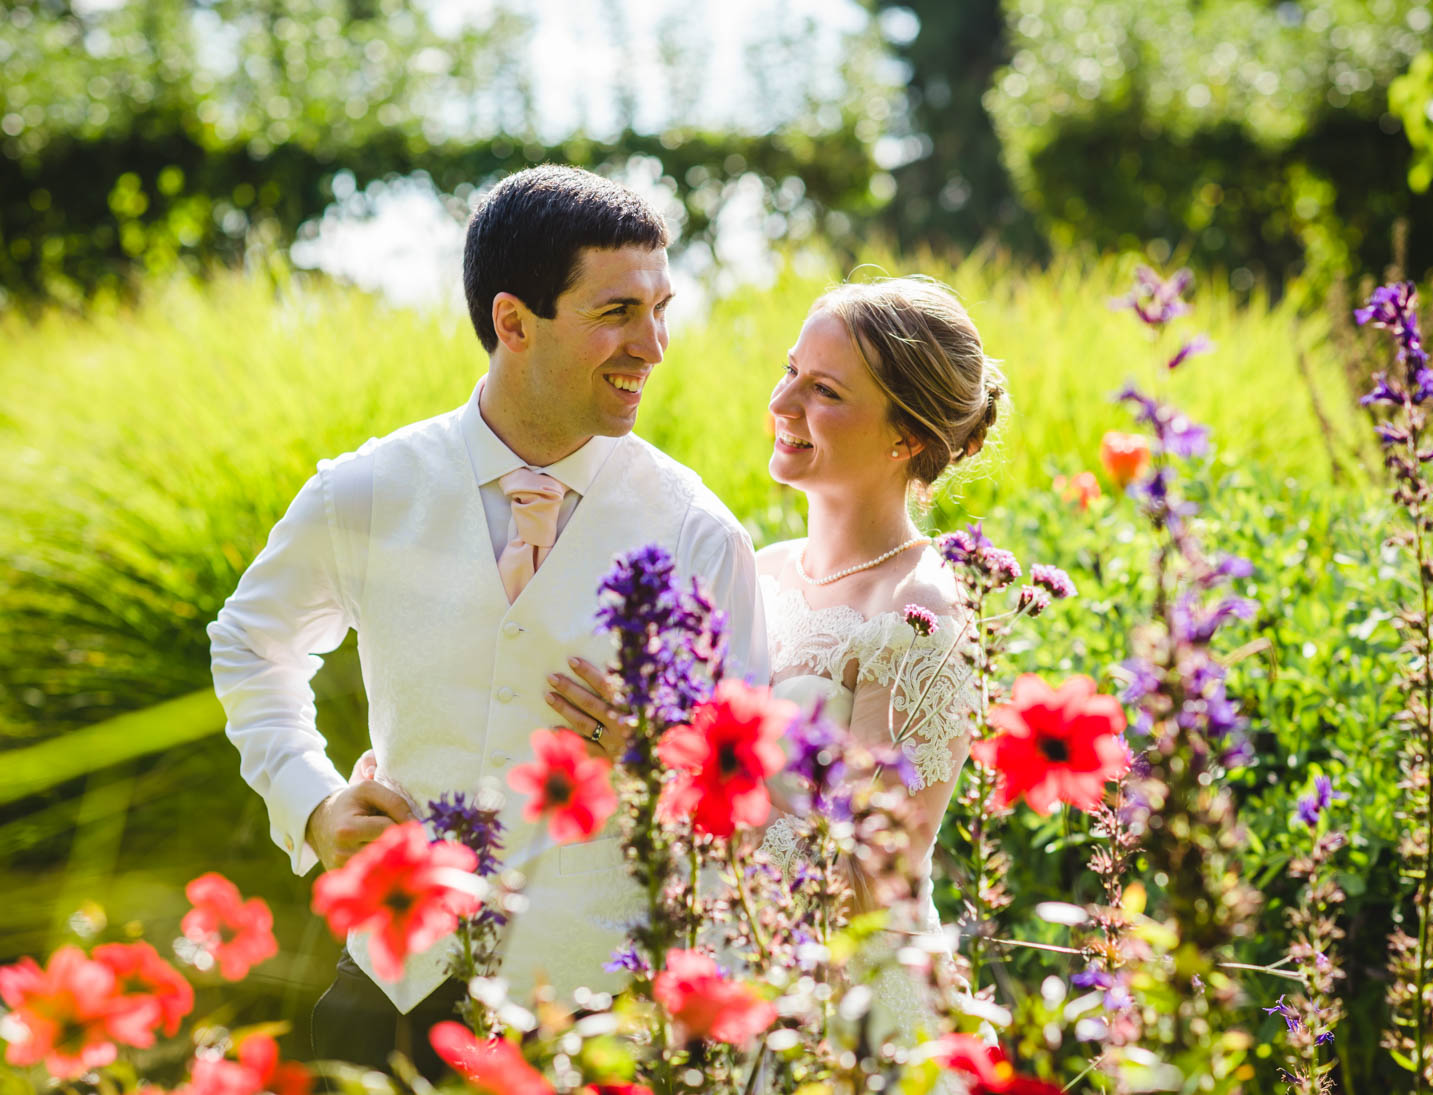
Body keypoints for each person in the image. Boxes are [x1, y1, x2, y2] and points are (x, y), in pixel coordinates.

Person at [206, 164, 768, 1077]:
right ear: (514, 322)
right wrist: (311, 802)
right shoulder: (368, 490)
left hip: (601, 1020)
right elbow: (251, 640)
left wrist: (651, 750)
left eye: (662, 307)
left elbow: (747, 782)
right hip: (391, 996)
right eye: (617, 312)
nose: (654, 345)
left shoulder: (697, 530)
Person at [551, 275, 1001, 1051]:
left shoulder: (921, 609)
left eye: (823, 390)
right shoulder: (756, 571)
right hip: (728, 975)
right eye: (790, 371)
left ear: (908, 437)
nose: (783, 404)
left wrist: (661, 761)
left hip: (843, 1018)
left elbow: (872, 878)